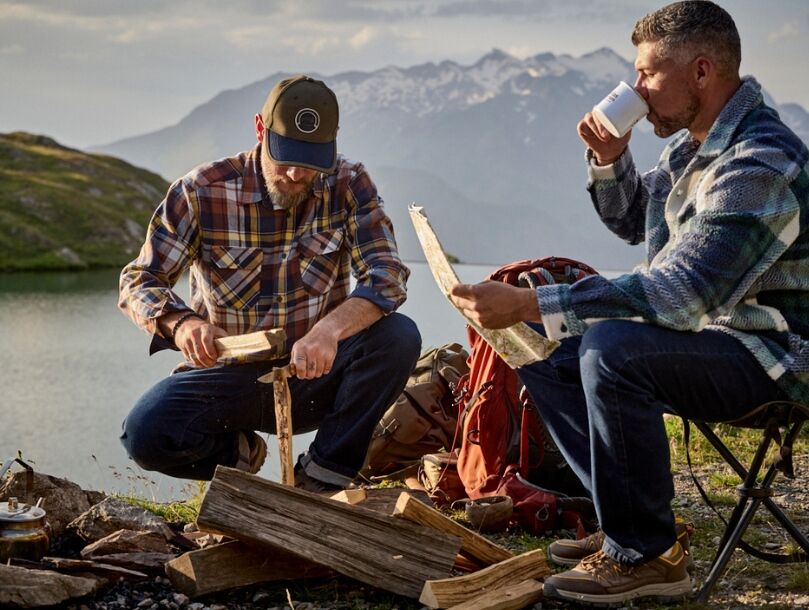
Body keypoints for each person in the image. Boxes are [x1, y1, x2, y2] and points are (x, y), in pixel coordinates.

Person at [451, 1, 809, 605]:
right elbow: (634, 224)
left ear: (701, 72)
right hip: (716, 338)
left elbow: (683, 293)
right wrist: (610, 159)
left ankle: (645, 554)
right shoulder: (698, 145)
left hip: (773, 353)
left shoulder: (757, 162)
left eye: (647, 73)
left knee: (610, 349)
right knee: (543, 348)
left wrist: (533, 299)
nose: (635, 89)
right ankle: (630, 528)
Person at [119, 75, 420, 492]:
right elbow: (139, 280)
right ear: (260, 130)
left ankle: (321, 478)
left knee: (398, 336)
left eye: (311, 162)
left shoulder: (350, 183)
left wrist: (328, 332)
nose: (297, 175)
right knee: (145, 432)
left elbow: (386, 276)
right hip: (229, 378)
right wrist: (183, 325)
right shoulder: (201, 191)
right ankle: (238, 454)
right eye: (286, 157)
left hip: (316, 373)